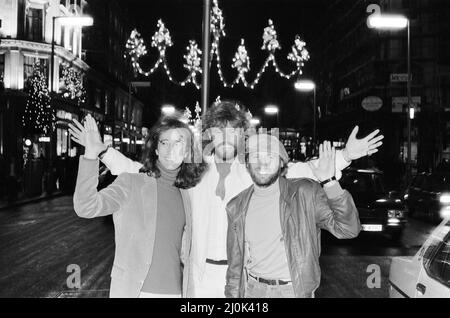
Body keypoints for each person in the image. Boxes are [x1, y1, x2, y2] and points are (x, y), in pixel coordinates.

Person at [69, 100, 383, 297]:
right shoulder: (189, 173)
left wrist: (344, 157)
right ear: (208, 135)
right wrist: (103, 152)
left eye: (233, 132)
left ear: (242, 136)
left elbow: (305, 169)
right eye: (218, 132)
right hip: (198, 276)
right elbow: (140, 172)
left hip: (242, 281)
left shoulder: (254, 170)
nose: (225, 138)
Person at [71, 114, 207, 298]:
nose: (170, 149)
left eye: (178, 143)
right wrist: (91, 154)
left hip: (175, 292)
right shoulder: (132, 182)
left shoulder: (187, 193)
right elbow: (86, 207)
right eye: (164, 142)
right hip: (135, 291)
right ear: (156, 149)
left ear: (188, 151)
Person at [225, 135, 360, 298]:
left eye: (270, 156)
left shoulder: (304, 193)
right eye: (255, 156)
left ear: (282, 163)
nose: (263, 163)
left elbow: (348, 229)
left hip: (293, 291)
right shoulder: (236, 206)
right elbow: (235, 264)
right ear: (247, 164)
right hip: (253, 290)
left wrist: (330, 182)